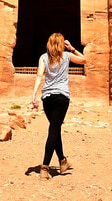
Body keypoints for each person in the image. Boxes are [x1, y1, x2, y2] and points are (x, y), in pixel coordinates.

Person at [31, 32, 85, 179]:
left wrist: (34, 94)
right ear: (62, 44)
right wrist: (72, 48)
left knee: (55, 129)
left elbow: (39, 76)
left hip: (47, 97)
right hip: (62, 97)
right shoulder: (66, 56)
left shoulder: (43, 57)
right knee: (54, 130)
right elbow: (84, 60)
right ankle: (45, 167)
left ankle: (62, 161)